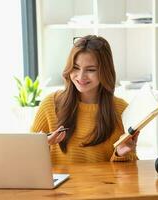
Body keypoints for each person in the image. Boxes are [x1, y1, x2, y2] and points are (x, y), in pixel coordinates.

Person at [31, 35, 139, 164]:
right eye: (75, 68)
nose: (81, 76)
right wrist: (43, 146)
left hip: (103, 183)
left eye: (91, 70)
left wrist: (121, 154)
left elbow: (129, 174)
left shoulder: (122, 110)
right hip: (62, 184)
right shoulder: (50, 104)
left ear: (105, 71)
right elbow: (27, 157)